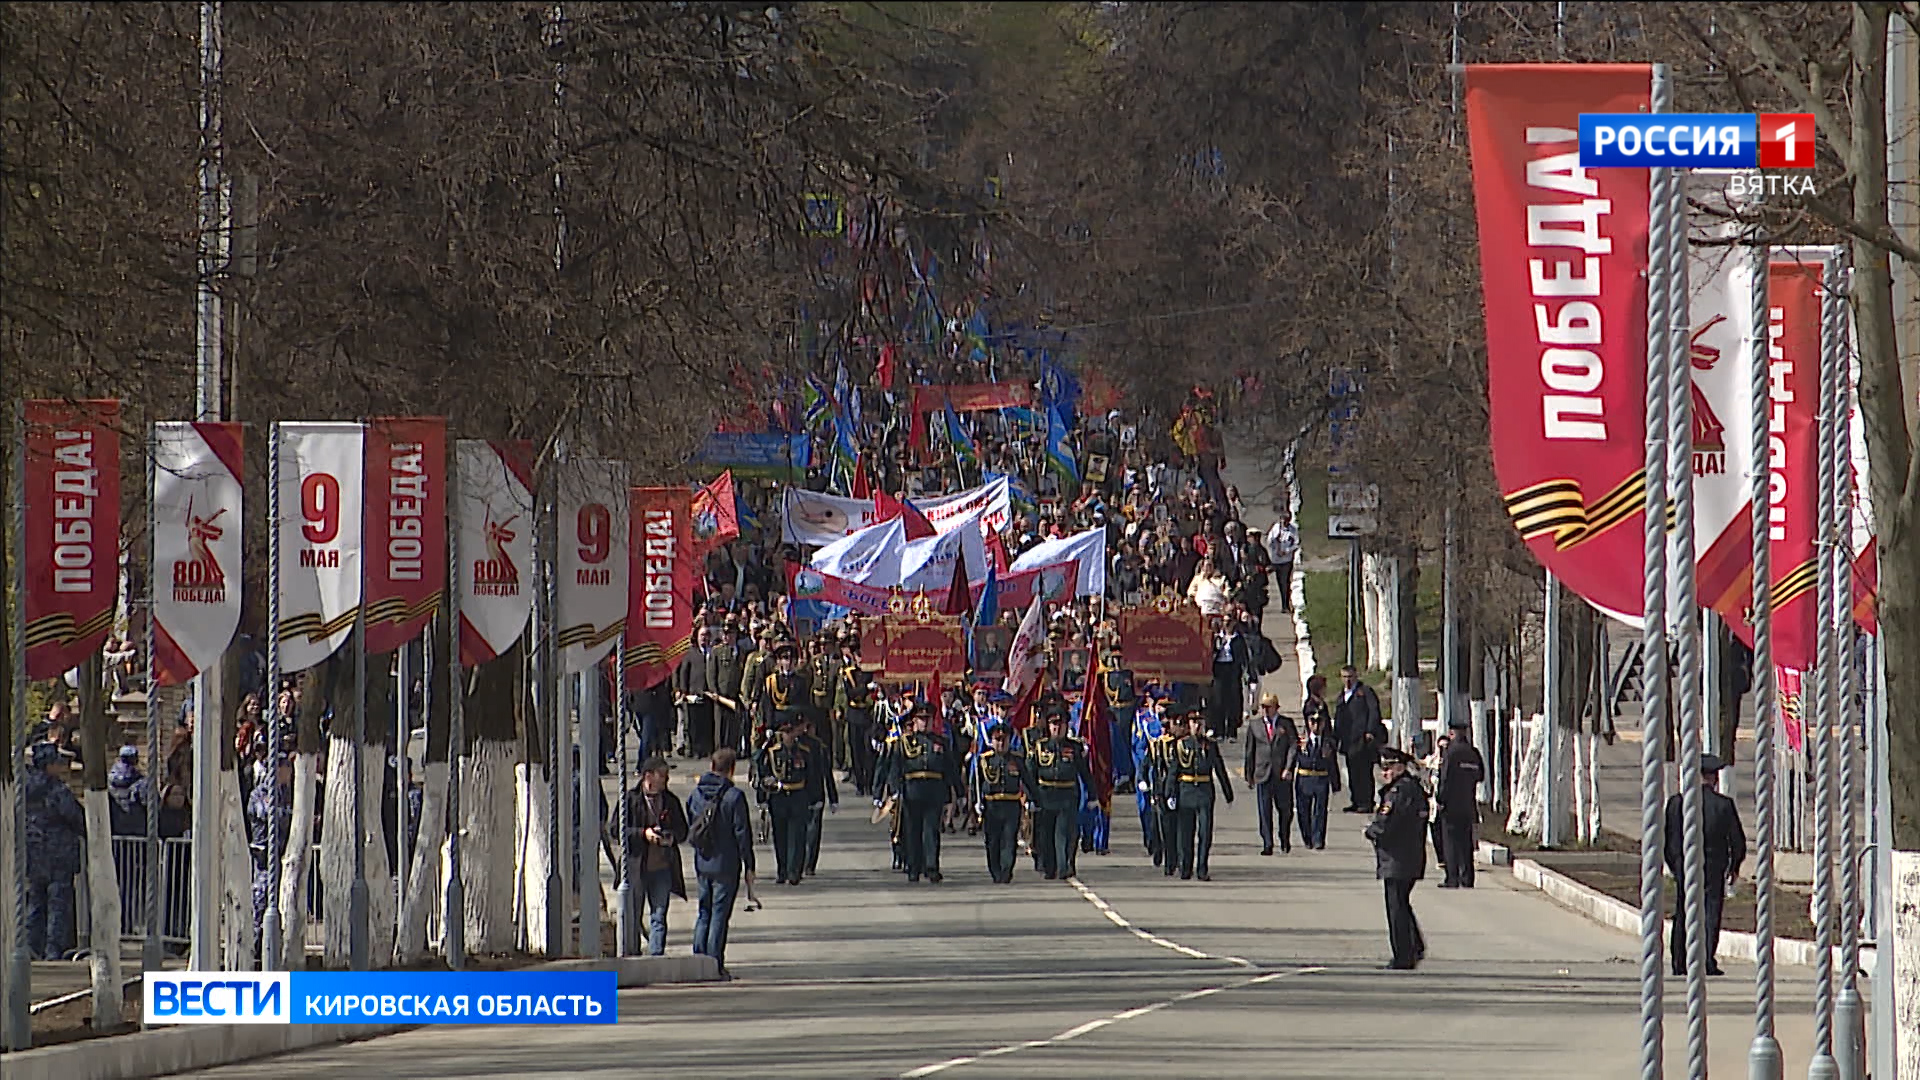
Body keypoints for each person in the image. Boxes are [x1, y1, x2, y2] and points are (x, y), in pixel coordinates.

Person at [1665, 754, 1747, 978]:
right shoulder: (1723, 805)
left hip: (1685, 866)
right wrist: (1734, 866)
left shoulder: (1677, 803)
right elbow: (1737, 840)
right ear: (1713, 778)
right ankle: (1706, 960)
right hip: (1713, 867)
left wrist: (1675, 866)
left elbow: (1668, 840)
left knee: (1683, 910)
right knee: (1710, 912)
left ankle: (1679, 961)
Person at [687, 748, 754, 980]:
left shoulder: (696, 795)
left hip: (702, 862)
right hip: (726, 864)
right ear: (731, 769)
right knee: (719, 915)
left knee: (703, 911)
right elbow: (742, 833)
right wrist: (749, 865)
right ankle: (715, 963)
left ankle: (698, 960)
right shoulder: (734, 796)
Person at [1365, 746, 1429, 970]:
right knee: (1401, 903)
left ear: (1400, 767)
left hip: (1398, 857)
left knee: (1396, 907)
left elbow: (1386, 824)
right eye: (1383, 768)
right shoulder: (1412, 788)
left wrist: (1371, 831)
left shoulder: (1399, 792)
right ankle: (1415, 946)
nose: (1385, 773)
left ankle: (1403, 956)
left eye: (1389, 767)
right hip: (1408, 856)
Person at [23, 741, 85, 960]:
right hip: (58, 856)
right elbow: (74, 816)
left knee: (36, 903)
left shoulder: (26, 789)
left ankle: (31, 947)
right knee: (58, 905)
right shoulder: (56, 789)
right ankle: (53, 949)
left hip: (33, 855)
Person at [884, 703, 959, 883]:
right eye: (921, 719)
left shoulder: (941, 742)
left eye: (928, 719)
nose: (924, 723)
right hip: (912, 790)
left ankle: (932, 866)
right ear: (915, 721)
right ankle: (913, 867)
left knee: (931, 831)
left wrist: (959, 792)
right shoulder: (903, 742)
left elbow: (951, 768)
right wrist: (894, 790)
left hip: (934, 791)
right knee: (912, 831)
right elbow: (896, 767)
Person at [622, 756, 688, 956]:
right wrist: (643, 834)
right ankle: (631, 953)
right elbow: (618, 829)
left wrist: (670, 837)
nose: (666, 780)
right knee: (633, 915)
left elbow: (683, 831)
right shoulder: (631, 799)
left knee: (659, 915)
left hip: (662, 868)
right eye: (662, 775)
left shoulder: (670, 801)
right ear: (648, 776)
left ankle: (656, 954)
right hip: (637, 867)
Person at [1029, 699, 1094, 881]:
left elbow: (1084, 772)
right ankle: (1050, 867)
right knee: (1046, 834)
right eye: (1053, 724)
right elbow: (1030, 773)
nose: (1057, 728)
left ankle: (1065, 865)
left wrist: (1093, 795)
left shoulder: (1073, 747)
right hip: (1045, 794)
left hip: (1067, 795)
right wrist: (1030, 798)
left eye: (1061, 724)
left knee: (1065, 832)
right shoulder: (1040, 747)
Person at [1167, 710, 1234, 880]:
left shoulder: (1210, 745)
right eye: (1193, 722)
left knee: (1205, 832)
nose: (1196, 725)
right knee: (1186, 833)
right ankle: (1186, 867)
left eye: (1199, 722)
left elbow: (1219, 768)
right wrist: (1170, 793)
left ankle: (1202, 868)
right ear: (1188, 725)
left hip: (1204, 791)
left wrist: (1228, 793)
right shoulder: (1181, 745)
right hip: (1186, 790)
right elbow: (1173, 771)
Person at [755, 717, 818, 886]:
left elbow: (811, 776)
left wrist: (814, 798)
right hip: (779, 797)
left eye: (792, 732)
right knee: (780, 836)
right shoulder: (772, 752)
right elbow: (763, 774)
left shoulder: (804, 751)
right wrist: (762, 798)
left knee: (798, 836)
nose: (789, 736)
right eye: (786, 733)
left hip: (799, 795)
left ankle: (794, 871)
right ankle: (782, 870)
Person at [1244, 692, 1298, 856]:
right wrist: (1249, 775)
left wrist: (1288, 768)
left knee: (1285, 810)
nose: (1266, 710)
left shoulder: (1286, 724)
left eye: (1269, 707)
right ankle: (1267, 842)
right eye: (1263, 707)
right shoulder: (1255, 726)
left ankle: (1284, 837)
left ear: (1276, 708)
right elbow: (1250, 752)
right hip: (1262, 773)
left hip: (1281, 774)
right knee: (1264, 810)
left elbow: (1293, 746)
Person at [974, 722, 1029, 883]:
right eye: (997, 739)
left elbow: (1027, 780)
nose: (1001, 743)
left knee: (1009, 839)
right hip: (992, 805)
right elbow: (975, 784)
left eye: (1004, 739)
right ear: (991, 741)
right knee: (993, 840)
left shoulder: (1016, 760)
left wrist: (1033, 799)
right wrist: (976, 803)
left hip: (1011, 804)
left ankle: (1006, 870)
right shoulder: (985, 760)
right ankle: (995, 870)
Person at [1436, 717, 1485, 888]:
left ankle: (1452, 877)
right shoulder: (1473, 752)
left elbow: (1445, 778)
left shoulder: (1451, 752)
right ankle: (1467, 878)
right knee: (1466, 843)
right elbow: (1481, 776)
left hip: (1451, 805)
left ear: (1451, 733)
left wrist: (1440, 799)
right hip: (1468, 804)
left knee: (1450, 842)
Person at [1334, 665, 1386, 813]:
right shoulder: (1342, 696)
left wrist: (1370, 731)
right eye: (1344, 677)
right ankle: (1356, 800)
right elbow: (1339, 718)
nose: (1347, 680)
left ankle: (1366, 802)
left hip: (1363, 739)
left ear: (1356, 676)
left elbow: (1374, 711)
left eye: (1350, 677)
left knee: (1364, 772)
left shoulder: (1365, 692)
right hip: (1348, 740)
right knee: (1352, 772)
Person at [797, 714, 840, 876]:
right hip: (806, 792)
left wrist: (833, 797)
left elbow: (826, 773)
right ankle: (806, 864)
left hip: (811, 793)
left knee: (810, 832)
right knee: (807, 831)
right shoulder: (800, 746)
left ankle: (806, 864)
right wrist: (833, 798)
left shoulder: (818, 747)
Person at [1294, 700, 1340, 850]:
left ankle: (1318, 839)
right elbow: (1290, 757)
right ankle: (1307, 837)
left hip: (1321, 777)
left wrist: (1335, 783)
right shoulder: (1300, 740)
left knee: (1320, 810)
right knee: (1303, 811)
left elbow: (1333, 763)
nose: (1315, 725)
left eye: (1319, 721)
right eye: (1312, 721)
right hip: (1304, 777)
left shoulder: (1328, 742)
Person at [1207, 614, 1254, 741]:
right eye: (1225, 621)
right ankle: (1219, 730)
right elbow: (1211, 653)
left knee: (1233, 700)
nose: (1226, 624)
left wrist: (1248, 673)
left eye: (1229, 621)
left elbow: (1244, 657)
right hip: (1219, 669)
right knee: (1218, 700)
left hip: (1233, 669)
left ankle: (1232, 731)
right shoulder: (1217, 637)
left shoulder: (1238, 639)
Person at [675, 625, 719, 759]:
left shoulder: (713, 652)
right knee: (693, 722)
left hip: (708, 693)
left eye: (706, 635)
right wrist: (683, 690)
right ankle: (694, 749)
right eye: (702, 635)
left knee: (707, 722)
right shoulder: (690, 653)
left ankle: (706, 749)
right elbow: (684, 672)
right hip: (693, 692)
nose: (704, 638)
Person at [1264, 513, 1299, 612]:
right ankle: (1282, 600)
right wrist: (1275, 538)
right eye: (1283, 520)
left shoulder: (1293, 530)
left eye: (1286, 520)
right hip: (1276, 560)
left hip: (1286, 560)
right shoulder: (1275, 528)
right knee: (1279, 582)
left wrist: (1287, 551)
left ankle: (1285, 605)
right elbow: (1269, 541)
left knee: (1285, 582)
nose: (1284, 522)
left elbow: (1296, 544)